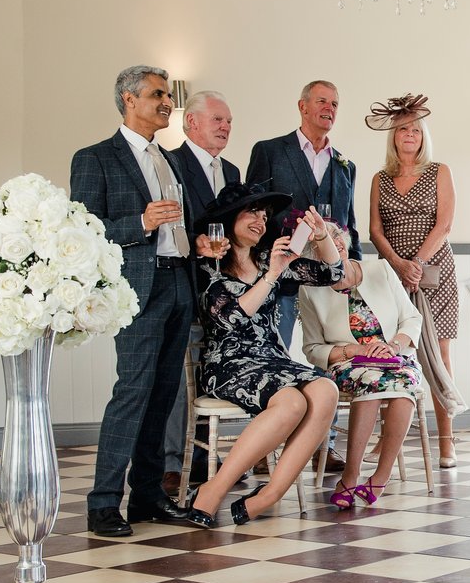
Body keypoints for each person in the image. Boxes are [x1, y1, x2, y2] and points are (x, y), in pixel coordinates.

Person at [71, 65, 202, 537]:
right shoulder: (95, 158)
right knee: (132, 392)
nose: (167, 103)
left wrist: (198, 245)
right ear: (128, 99)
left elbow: (180, 225)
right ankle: (104, 503)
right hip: (137, 291)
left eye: (168, 95)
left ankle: (147, 496)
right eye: (157, 95)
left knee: (164, 395)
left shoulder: (170, 159)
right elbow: (85, 230)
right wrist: (141, 223)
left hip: (179, 284)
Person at [183, 185, 341, 527]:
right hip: (228, 363)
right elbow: (232, 318)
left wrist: (321, 235)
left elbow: (333, 274)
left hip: (272, 360)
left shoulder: (270, 258)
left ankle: (269, 494)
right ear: (230, 219)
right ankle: (214, 490)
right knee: (292, 403)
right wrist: (271, 275)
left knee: (326, 389)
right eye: (252, 212)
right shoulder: (209, 264)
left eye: (265, 215)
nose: (261, 220)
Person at [247, 79, 357, 473]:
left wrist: (350, 270)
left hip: (326, 283)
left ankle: (322, 447)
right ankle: (261, 450)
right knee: (272, 357)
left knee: (326, 360)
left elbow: (350, 224)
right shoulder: (270, 151)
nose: (329, 108)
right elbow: (254, 211)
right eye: (322, 101)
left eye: (335, 103)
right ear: (303, 106)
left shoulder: (345, 165)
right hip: (282, 277)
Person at [366, 94, 460, 468]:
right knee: (390, 354)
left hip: (434, 271)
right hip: (391, 276)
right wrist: (398, 264)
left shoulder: (439, 171)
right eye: (403, 129)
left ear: (424, 136)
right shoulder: (380, 179)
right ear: (393, 136)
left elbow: (445, 224)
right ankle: (387, 439)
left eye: (416, 129)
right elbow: (375, 230)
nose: (409, 134)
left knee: (438, 354)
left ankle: (447, 441)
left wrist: (417, 263)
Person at [300, 232, 423, 510]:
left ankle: (381, 476)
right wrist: (355, 350)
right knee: (371, 381)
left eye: (337, 235)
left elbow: (412, 318)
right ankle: (351, 473)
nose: (336, 242)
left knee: (403, 385)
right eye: (324, 241)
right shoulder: (309, 290)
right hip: (349, 363)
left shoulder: (380, 269)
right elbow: (313, 348)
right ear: (314, 254)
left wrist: (393, 346)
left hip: (394, 356)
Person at [163, 89, 241, 497]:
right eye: (217, 120)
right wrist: (197, 244)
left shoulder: (232, 170)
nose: (225, 127)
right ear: (191, 122)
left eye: (229, 122)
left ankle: (204, 460)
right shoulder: (169, 163)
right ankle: (172, 463)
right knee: (180, 381)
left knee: (212, 373)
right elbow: (170, 225)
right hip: (184, 284)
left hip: (223, 290)